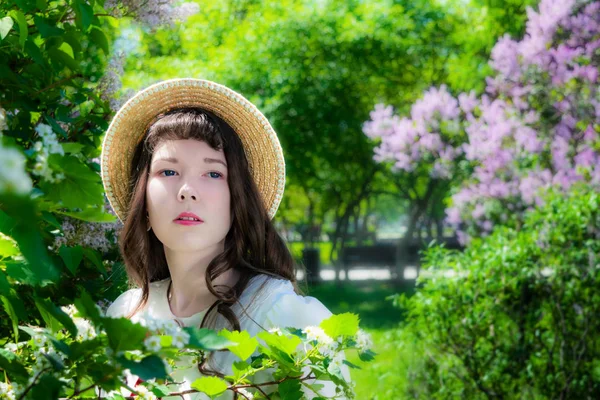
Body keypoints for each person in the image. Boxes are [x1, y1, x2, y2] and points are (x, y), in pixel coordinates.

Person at [99, 78, 351, 399]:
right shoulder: (126, 316)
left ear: (237, 203)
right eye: (168, 171)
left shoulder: (285, 320)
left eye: (213, 173)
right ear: (144, 204)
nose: (187, 190)